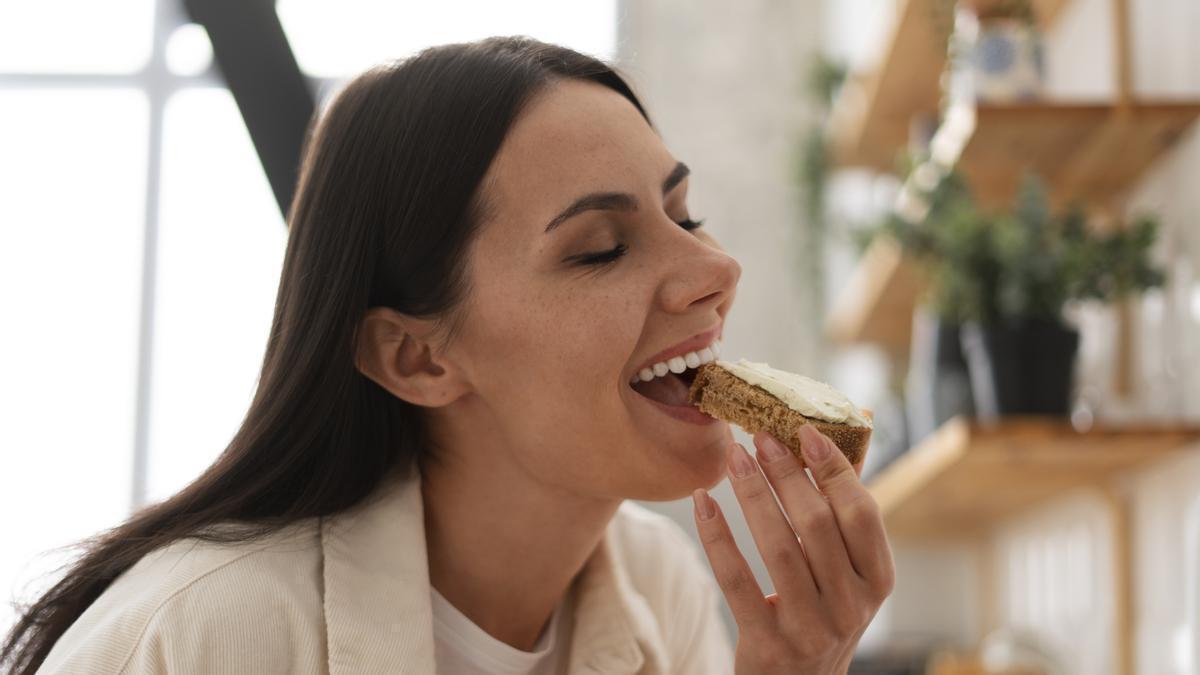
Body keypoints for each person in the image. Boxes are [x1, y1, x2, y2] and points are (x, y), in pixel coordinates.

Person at [2, 36, 894, 674]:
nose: (716, 268)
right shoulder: (192, 639)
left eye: (684, 215)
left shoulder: (664, 598)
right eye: (599, 247)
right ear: (414, 356)